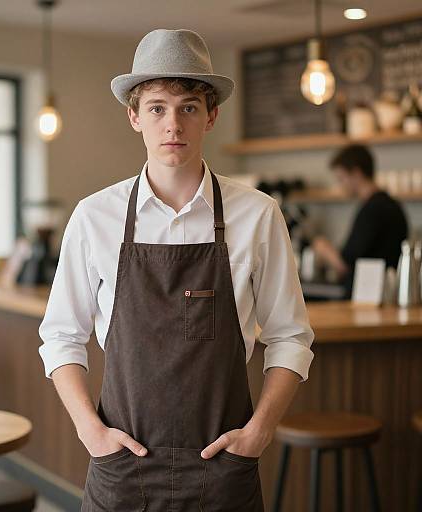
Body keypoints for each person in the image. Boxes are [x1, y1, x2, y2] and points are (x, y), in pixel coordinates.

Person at [38, 28, 314, 511]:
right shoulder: (94, 216)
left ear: (211, 116)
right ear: (134, 117)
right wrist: (91, 432)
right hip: (121, 469)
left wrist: (259, 432)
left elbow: (290, 336)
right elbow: (61, 336)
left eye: (188, 107)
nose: (173, 125)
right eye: (157, 108)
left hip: (223, 470)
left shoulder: (259, 214)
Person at [312, 144, 408, 299]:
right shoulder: (392, 205)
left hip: (368, 297)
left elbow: (344, 265)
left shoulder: (372, 210)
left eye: (341, 179)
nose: (340, 185)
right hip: (388, 295)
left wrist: (323, 248)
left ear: (356, 174)